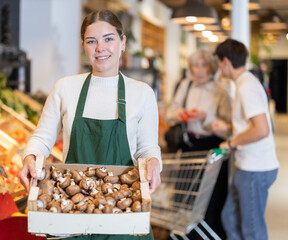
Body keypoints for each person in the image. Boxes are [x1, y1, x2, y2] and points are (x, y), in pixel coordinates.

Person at [18, 9, 162, 240]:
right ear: (83, 46)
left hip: (123, 213)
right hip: (70, 211)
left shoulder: (142, 93)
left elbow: (147, 149)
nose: (100, 48)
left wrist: (154, 163)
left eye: (109, 39)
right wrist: (30, 157)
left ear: (122, 43)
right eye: (91, 41)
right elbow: (42, 138)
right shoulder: (65, 88)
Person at [215, 38, 279, 240]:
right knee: (229, 218)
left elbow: (262, 129)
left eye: (218, 62)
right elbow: (250, 124)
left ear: (225, 61)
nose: (219, 68)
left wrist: (231, 143)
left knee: (252, 229)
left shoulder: (246, 87)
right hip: (249, 166)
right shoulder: (245, 82)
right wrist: (227, 128)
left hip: (255, 168)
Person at [165, 48, 232, 239]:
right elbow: (170, 114)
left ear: (211, 68)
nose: (199, 70)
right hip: (189, 146)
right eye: (195, 65)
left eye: (203, 65)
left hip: (213, 147)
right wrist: (181, 114)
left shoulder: (220, 91)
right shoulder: (185, 86)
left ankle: (209, 234)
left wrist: (206, 119)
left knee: (210, 198)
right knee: (185, 195)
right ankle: (186, 234)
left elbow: (230, 126)